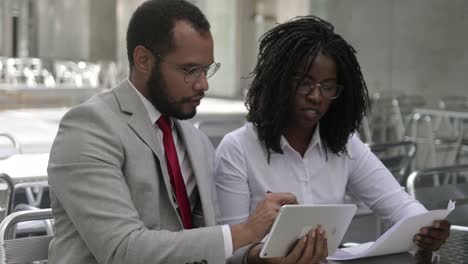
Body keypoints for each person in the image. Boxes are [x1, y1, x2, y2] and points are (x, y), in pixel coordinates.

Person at [47, 1, 298, 263]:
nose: (204, 84)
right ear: (143, 60)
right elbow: (122, 250)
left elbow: (208, 242)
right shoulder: (89, 127)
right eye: (190, 70)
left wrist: (258, 256)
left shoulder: (194, 140)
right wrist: (246, 231)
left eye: (206, 69)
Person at [215, 16, 451, 263]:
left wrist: (427, 228)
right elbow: (231, 250)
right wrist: (261, 258)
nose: (316, 96)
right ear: (278, 82)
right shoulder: (237, 148)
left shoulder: (344, 144)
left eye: (328, 86)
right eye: (304, 83)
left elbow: (398, 204)